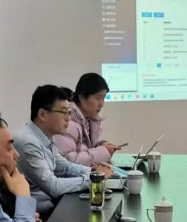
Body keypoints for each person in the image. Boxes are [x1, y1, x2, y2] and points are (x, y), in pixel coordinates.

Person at [14, 84, 114, 214]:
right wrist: (93, 178)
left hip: (53, 206)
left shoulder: (45, 137)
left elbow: (65, 167)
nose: (68, 118)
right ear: (43, 114)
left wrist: (93, 172)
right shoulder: (28, 143)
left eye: (69, 112)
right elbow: (53, 186)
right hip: (38, 215)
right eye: (63, 112)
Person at [54, 72, 124, 166]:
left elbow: (83, 149)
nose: (102, 104)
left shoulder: (88, 119)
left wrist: (102, 146)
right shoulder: (68, 123)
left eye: (104, 98)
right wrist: (103, 152)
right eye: (98, 98)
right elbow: (66, 161)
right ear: (81, 97)